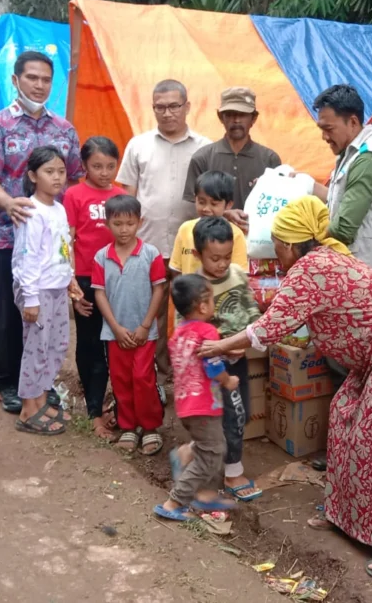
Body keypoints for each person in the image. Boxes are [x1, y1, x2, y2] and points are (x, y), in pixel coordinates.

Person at [199, 196, 372, 581]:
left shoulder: (310, 269)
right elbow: (280, 323)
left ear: (290, 244)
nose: (274, 250)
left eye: (275, 242)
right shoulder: (324, 257)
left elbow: (268, 330)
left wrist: (218, 345)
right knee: (343, 414)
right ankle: (349, 514)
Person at [0, 51, 83, 414]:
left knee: (49, 319)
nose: (39, 85)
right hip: (12, 237)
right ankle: (7, 382)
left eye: (45, 79)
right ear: (16, 80)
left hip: (53, 242)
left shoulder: (64, 130)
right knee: (10, 313)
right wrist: (8, 203)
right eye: (32, 77)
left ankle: (39, 383)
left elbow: (76, 178)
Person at [117, 79, 211, 382]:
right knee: (149, 315)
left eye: (173, 106)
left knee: (193, 312)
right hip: (148, 247)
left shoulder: (205, 148)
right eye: (160, 107)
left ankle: (189, 376)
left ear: (187, 107)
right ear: (153, 108)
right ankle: (151, 377)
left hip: (192, 249)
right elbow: (127, 199)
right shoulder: (138, 145)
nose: (167, 113)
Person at [180, 217, 263, 501]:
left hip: (238, 360)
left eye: (227, 256)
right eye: (214, 258)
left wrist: (249, 338)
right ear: (198, 253)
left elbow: (251, 309)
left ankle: (192, 450)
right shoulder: (194, 288)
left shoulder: (238, 275)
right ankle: (232, 473)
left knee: (240, 414)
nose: (222, 264)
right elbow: (187, 332)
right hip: (212, 367)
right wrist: (219, 348)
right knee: (226, 418)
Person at [155, 274, 241, 521]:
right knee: (212, 453)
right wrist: (229, 380)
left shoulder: (178, 333)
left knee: (212, 445)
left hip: (185, 405)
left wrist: (224, 347)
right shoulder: (207, 331)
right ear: (203, 305)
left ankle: (202, 488)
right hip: (204, 405)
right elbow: (212, 367)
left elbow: (194, 359)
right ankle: (174, 501)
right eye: (211, 298)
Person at [12, 146, 81, 436]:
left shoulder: (59, 208)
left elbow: (64, 248)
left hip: (56, 287)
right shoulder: (31, 210)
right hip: (36, 290)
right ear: (32, 175)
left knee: (56, 344)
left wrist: (71, 279)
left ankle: (41, 398)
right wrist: (30, 298)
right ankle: (28, 407)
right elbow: (27, 257)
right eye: (49, 172)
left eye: (61, 172)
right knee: (36, 347)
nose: (57, 177)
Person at [92, 195, 168, 456]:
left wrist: (146, 325)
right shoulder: (102, 257)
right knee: (121, 379)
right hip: (115, 333)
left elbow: (159, 289)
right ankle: (127, 425)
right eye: (118, 224)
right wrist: (115, 327)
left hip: (144, 333)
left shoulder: (151, 254)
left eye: (130, 223)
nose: (124, 230)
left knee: (143, 378)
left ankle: (150, 427)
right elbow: (99, 293)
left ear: (139, 222)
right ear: (107, 224)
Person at [63, 136, 126, 440]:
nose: (104, 172)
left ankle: (116, 405)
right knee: (90, 346)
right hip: (86, 280)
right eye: (97, 166)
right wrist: (72, 287)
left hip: (118, 280)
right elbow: (68, 241)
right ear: (84, 165)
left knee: (115, 344)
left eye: (110, 166)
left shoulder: (121, 195)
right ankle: (93, 413)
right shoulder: (74, 195)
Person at [308, 84, 372, 282]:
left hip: (369, 278)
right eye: (321, 129)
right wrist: (305, 186)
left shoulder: (368, 159)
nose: (324, 137)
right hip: (356, 272)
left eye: (329, 129)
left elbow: (343, 228)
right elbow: (341, 200)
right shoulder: (350, 153)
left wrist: (304, 238)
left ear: (352, 122)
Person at [181, 87, 282, 232]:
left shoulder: (269, 159)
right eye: (230, 114)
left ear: (253, 118)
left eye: (242, 115)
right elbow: (193, 207)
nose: (236, 120)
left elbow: (278, 207)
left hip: (256, 243)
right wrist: (223, 215)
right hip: (212, 243)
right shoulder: (202, 158)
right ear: (221, 117)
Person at [169, 171, 250, 278]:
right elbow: (176, 270)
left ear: (228, 204)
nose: (206, 209)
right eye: (201, 202)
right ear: (195, 198)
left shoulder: (235, 234)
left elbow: (240, 275)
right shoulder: (185, 229)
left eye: (214, 204)